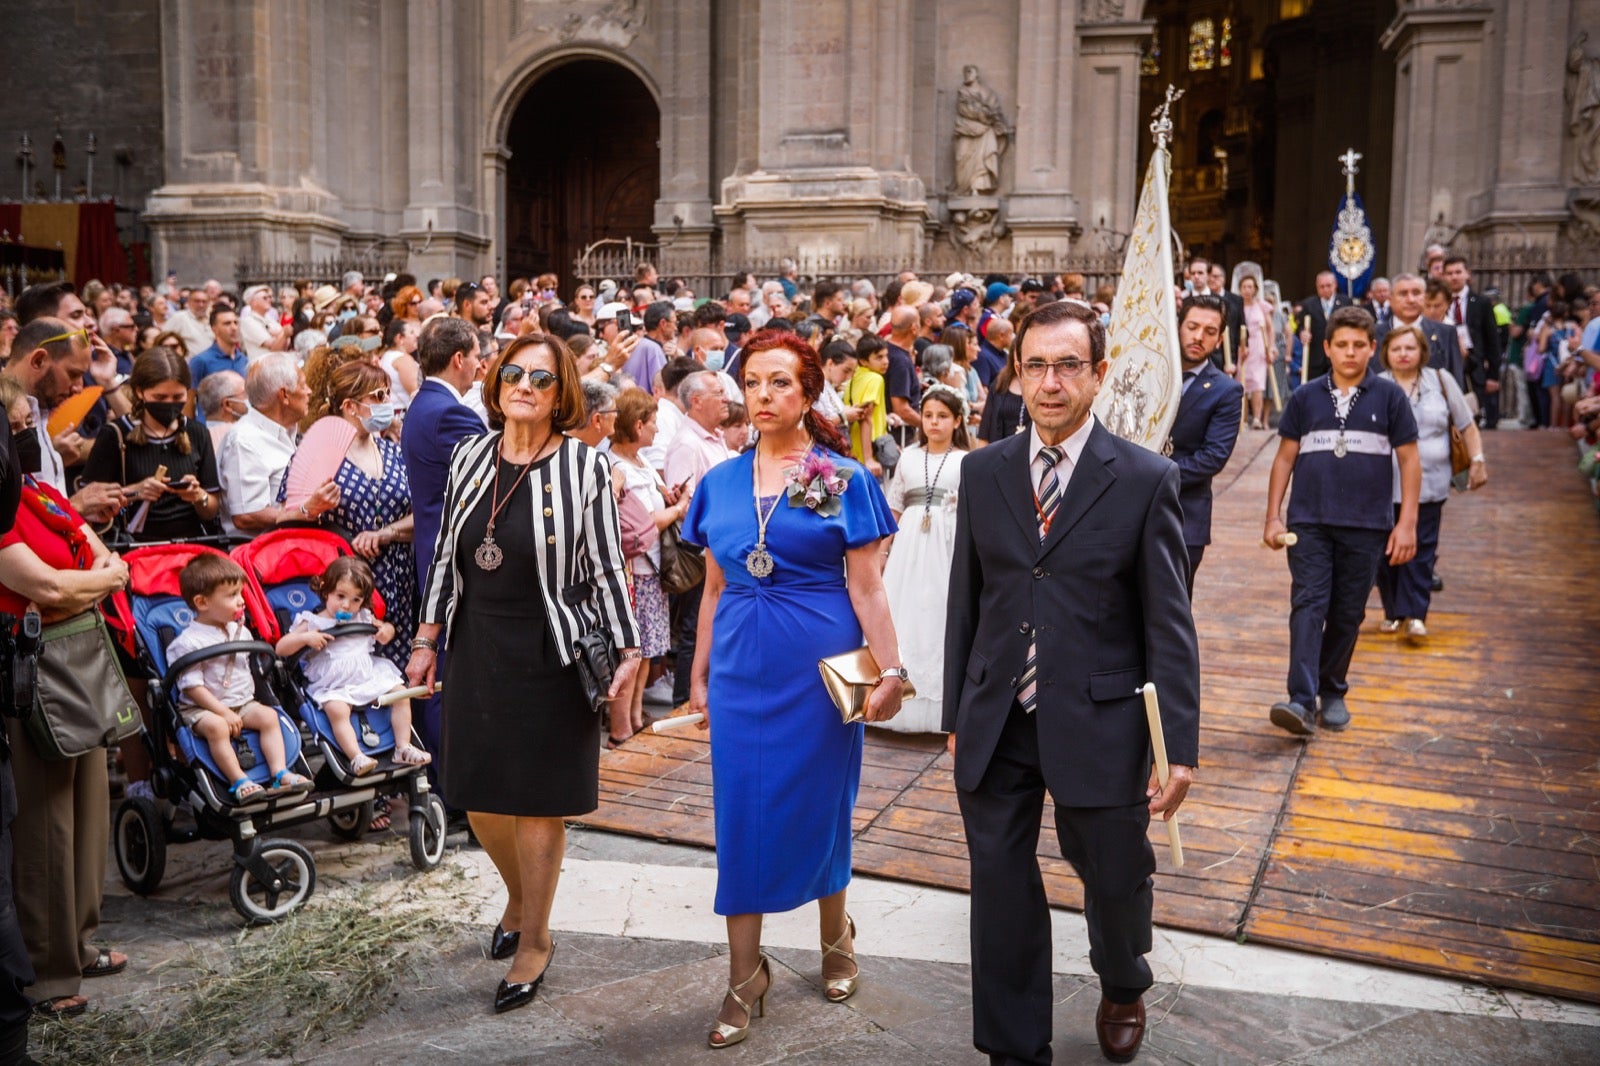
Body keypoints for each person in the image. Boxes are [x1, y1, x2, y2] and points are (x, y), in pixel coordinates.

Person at [943, 299, 1199, 1065]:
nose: (1051, 382)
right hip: (999, 715)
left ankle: (1123, 977)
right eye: (1036, 366)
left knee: (1115, 874)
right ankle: (1016, 1048)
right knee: (1000, 888)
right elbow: (968, 595)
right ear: (1015, 373)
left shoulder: (1146, 479)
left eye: (1068, 366)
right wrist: (958, 705)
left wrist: (1176, 747)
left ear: (1099, 373)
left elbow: (1169, 623)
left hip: (1102, 718)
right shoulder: (982, 471)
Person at [406, 333, 640, 1015]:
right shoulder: (470, 456)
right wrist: (427, 638)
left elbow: (604, 565)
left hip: (552, 647)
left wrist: (626, 649)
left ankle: (535, 937)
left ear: (561, 392)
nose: (526, 386)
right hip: (477, 641)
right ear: (495, 380)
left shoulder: (585, 468)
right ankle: (518, 894)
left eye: (542, 378)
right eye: (514, 372)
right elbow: (449, 554)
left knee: (538, 801)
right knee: (478, 793)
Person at [679, 328, 901, 1049]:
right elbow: (713, 586)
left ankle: (836, 934)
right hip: (743, 663)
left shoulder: (844, 476)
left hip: (824, 665)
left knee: (822, 804)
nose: (764, 395)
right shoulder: (716, 481)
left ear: (808, 392)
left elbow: (868, 588)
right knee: (740, 816)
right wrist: (698, 673)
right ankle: (746, 975)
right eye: (752, 382)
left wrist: (890, 671)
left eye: (779, 382)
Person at [0, 372, 132, 1020]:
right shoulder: (5, 510)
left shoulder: (43, 494)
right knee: (46, 822)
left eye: (29, 426)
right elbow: (47, 588)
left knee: (88, 807)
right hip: (30, 666)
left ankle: (80, 943)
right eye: (18, 429)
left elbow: (109, 561)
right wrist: (91, 581)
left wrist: (87, 581)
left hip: (78, 654)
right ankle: (48, 973)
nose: (27, 436)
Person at [1264, 307, 1421, 736]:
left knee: (1348, 612)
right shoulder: (1305, 397)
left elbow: (1409, 462)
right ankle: (1300, 698)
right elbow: (1284, 459)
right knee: (1308, 603)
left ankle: (1332, 690)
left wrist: (1406, 523)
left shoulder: (1390, 398)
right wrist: (1273, 516)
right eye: (1342, 345)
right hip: (1309, 522)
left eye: (1359, 345)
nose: (1350, 353)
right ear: (1327, 348)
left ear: (1373, 349)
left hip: (1367, 524)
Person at [288, 361, 416, 667]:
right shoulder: (320, 454)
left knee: (399, 672)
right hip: (349, 586)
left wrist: (387, 532)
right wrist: (312, 507)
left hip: (401, 577)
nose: (388, 402)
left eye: (388, 393)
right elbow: (288, 517)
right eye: (379, 396)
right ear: (350, 406)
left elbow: (422, 515)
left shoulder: (395, 452)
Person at [167, 555, 313, 801]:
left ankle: (280, 772)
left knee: (269, 716)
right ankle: (239, 780)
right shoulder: (188, 642)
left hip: (243, 703)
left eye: (240, 592)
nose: (241, 600)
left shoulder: (241, 630)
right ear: (202, 602)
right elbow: (192, 687)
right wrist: (222, 711)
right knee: (217, 727)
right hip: (203, 709)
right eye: (232, 595)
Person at [1374, 326, 1487, 637]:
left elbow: (1466, 425)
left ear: (1422, 351)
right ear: (1386, 353)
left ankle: (1415, 613)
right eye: (1396, 349)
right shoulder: (1375, 386)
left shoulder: (1440, 380)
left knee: (1422, 547)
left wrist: (1477, 460)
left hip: (1431, 481)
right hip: (1384, 483)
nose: (1403, 354)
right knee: (1386, 549)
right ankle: (1393, 611)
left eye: (1410, 348)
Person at [276, 555, 430, 773]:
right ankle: (356, 756)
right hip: (334, 685)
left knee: (400, 694)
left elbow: (386, 631)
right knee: (337, 710)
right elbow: (281, 648)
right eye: (340, 596)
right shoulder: (312, 621)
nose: (347, 605)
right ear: (325, 590)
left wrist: (386, 631)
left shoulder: (364, 616)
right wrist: (305, 638)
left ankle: (403, 747)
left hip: (366, 676)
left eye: (356, 600)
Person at [876, 385, 969, 734]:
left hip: (947, 544)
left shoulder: (966, 460)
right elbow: (894, 507)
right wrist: (883, 551)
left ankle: (943, 704)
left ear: (957, 420)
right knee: (906, 609)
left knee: (939, 610)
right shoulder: (909, 456)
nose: (934, 422)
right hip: (909, 546)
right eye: (928, 415)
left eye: (942, 416)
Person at [607, 388, 690, 746]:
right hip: (633, 571)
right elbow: (635, 526)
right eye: (653, 422)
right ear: (637, 424)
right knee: (631, 651)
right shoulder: (615, 465)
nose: (657, 429)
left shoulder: (640, 462)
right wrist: (678, 508)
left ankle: (635, 715)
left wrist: (668, 496)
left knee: (645, 651)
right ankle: (620, 727)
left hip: (651, 568)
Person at [80, 349, 223, 542]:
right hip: (134, 545)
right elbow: (88, 503)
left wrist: (198, 495)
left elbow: (211, 509)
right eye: (160, 398)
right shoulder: (116, 434)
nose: (170, 404)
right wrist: (135, 492)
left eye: (177, 397)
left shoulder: (197, 432)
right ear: (140, 392)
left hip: (192, 542)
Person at [1168, 295, 1244, 592]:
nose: (1199, 336)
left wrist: (1150, 475)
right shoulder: (1147, 374)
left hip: (1184, 516)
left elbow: (1212, 458)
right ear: (1178, 326)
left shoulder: (1226, 391)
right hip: (1128, 517)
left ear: (1220, 338)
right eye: (1192, 326)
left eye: (1210, 331)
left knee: (1172, 615)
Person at [217, 354, 339, 535]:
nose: (309, 392)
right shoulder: (244, 440)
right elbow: (245, 515)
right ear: (284, 395)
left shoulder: (289, 431)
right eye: (303, 385)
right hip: (262, 553)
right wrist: (304, 512)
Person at [1296, 271, 1354, 383]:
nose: (1325, 289)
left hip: (1339, 355)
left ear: (1335, 285)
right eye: (1321, 286)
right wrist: (1302, 333)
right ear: (1317, 286)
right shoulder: (1308, 304)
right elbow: (1301, 327)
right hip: (1316, 357)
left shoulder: (1346, 302)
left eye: (1328, 286)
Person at [842, 335, 888, 475]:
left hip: (854, 448)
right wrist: (869, 459)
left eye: (886, 356)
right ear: (863, 361)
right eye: (879, 357)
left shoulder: (853, 379)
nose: (886, 361)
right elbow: (866, 417)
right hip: (871, 450)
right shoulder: (876, 379)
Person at [1236, 274, 1273, 429]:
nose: (1247, 290)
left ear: (1255, 289)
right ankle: (1241, 418)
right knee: (1241, 381)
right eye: (1244, 287)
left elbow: (1270, 329)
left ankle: (1257, 418)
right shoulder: (1237, 305)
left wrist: (1270, 348)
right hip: (1242, 346)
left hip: (1258, 346)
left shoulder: (1262, 306)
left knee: (1257, 382)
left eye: (1250, 287)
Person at [196, 369, 247, 454]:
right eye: (245, 393)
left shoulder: (199, 440)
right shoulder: (239, 441)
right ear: (228, 404)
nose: (250, 398)